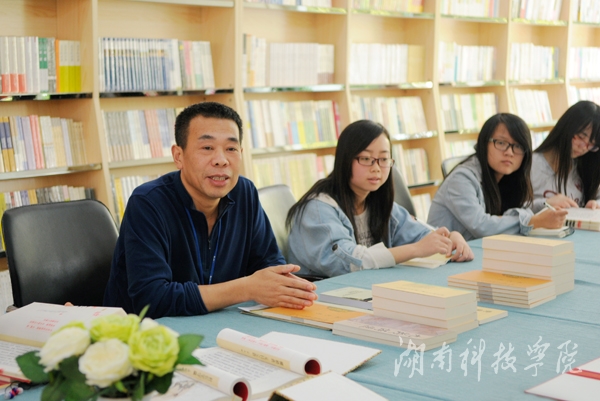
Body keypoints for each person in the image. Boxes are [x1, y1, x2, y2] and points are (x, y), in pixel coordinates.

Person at [104, 102, 317, 318]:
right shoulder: (148, 202)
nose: (221, 160)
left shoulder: (244, 193)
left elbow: (269, 264)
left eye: (231, 149)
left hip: (223, 323)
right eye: (207, 148)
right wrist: (246, 288)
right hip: (147, 332)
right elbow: (152, 300)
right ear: (178, 156)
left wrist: (284, 284)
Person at [286, 120, 474, 278]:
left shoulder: (377, 202)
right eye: (366, 159)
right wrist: (416, 249)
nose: (376, 168)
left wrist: (451, 237)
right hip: (319, 297)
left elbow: (422, 235)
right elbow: (347, 262)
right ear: (345, 159)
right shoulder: (318, 208)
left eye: (384, 159)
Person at [427, 113, 567, 240]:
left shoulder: (504, 177)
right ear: (483, 143)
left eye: (518, 146)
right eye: (501, 143)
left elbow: (511, 211)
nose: (509, 152)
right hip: (444, 257)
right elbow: (481, 226)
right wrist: (532, 222)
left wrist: (545, 204)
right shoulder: (461, 179)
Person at [531, 100, 600, 212]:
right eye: (581, 137)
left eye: (592, 144)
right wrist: (546, 203)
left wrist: (596, 204)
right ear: (566, 127)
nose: (583, 147)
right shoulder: (531, 164)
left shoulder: (583, 165)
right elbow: (512, 209)